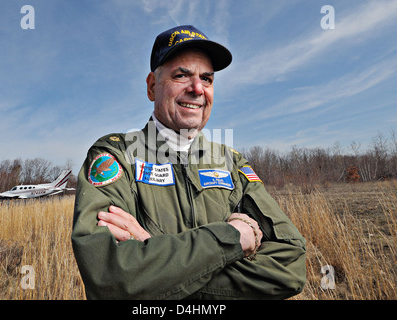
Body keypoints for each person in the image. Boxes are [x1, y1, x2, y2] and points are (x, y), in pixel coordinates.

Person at [71, 25, 306, 300]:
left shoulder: (231, 162)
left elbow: (290, 267)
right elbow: (109, 277)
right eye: (182, 75)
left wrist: (154, 257)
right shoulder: (117, 155)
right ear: (151, 86)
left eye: (207, 79)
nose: (197, 89)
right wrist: (231, 238)